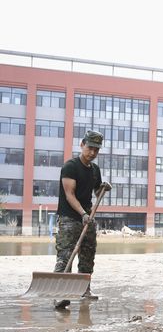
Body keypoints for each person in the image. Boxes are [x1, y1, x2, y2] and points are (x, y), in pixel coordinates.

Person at [53, 130, 111, 309]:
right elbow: (69, 194)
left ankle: (84, 289)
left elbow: (95, 191)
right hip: (70, 217)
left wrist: (102, 188)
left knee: (88, 253)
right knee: (66, 255)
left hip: (87, 217)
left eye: (96, 149)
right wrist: (83, 214)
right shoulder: (70, 166)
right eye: (90, 148)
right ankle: (60, 294)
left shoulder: (95, 170)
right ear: (82, 145)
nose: (92, 153)